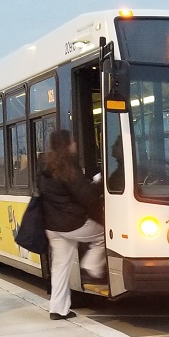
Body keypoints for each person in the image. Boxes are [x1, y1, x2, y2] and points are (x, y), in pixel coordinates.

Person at [38, 129, 106, 321]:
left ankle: (58, 309)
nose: (75, 144)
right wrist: (99, 183)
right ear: (67, 144)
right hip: (71, 224)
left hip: (52, 226)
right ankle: (92, 266)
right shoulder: (67, 166)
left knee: (60, 266)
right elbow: (85, 195)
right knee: (104, 234)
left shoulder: (44, 167)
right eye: (73, 141)